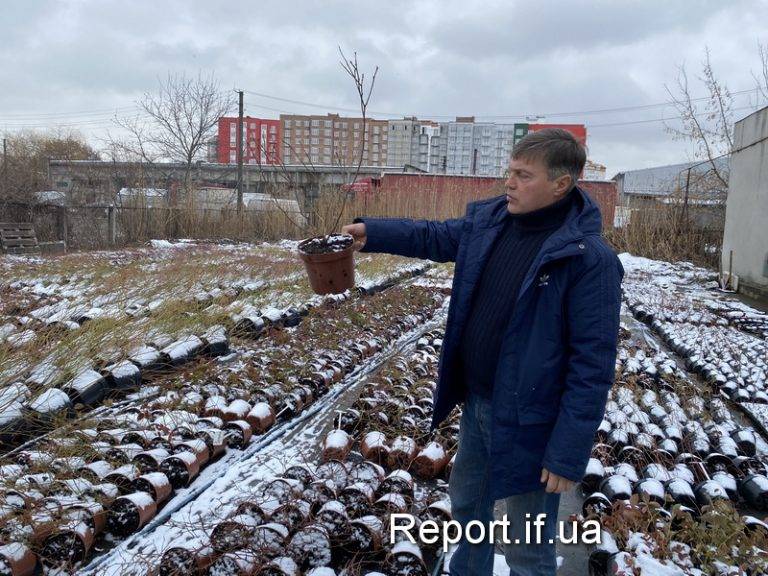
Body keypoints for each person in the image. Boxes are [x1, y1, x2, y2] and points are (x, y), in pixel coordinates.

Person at [342, 128, 623, 575]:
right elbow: (433, 236)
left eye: (523, 175)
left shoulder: (588, 259)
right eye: (509, 171)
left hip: (533, 421)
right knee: (469, 513)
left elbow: (592, 367)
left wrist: (567, 452)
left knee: (528, 542)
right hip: (477, 406)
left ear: (561, 184)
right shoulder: (492, 223)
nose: (509, 182)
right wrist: (372, 232)